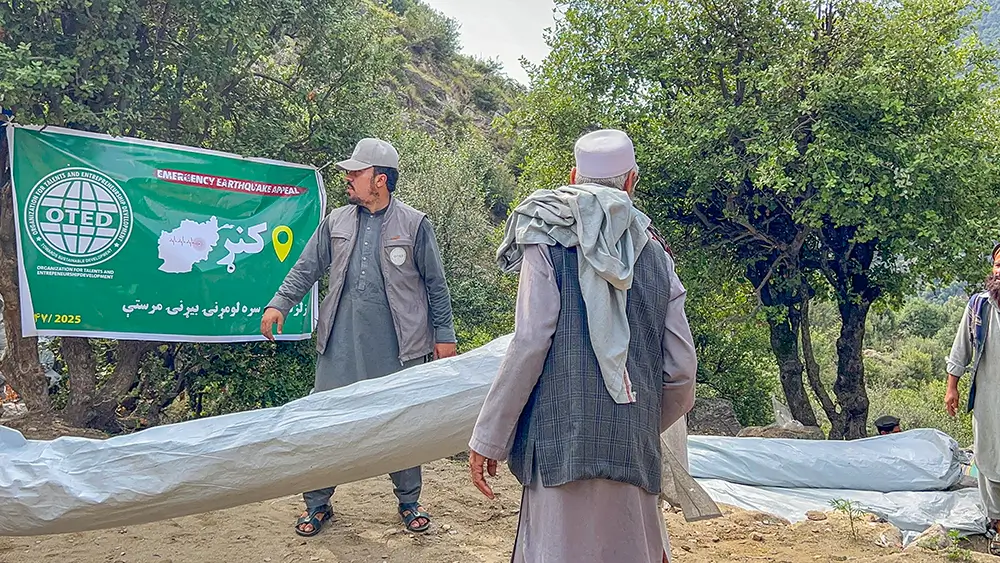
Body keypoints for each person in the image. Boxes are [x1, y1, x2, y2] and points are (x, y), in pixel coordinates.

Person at [467, 129, 698, 562]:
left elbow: (531, 340)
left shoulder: (545, 238)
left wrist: (490, 435)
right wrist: (638, 423)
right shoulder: (657, 255)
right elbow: (682, 372)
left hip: (558, 443)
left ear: (573, 177)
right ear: (631, 181)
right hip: (632, 448)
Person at [261, 137, 457, 537]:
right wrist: (280, 303)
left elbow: (436, 286)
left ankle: (409, 502)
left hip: (400, 348)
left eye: (356, 172)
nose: (348, 179)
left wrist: (444, 336)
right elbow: (306, 267)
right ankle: (317, 504)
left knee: (402, 426)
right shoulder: (336, 221)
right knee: (324, 424)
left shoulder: (415, 224)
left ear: (380, 179)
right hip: (340, 344)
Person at [946, 242, 1000, 555]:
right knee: (989, 459)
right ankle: (998, 526)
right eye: (998, 265)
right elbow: (960, 349)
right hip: (989, 400)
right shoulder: (979, 307)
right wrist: (952, 387)